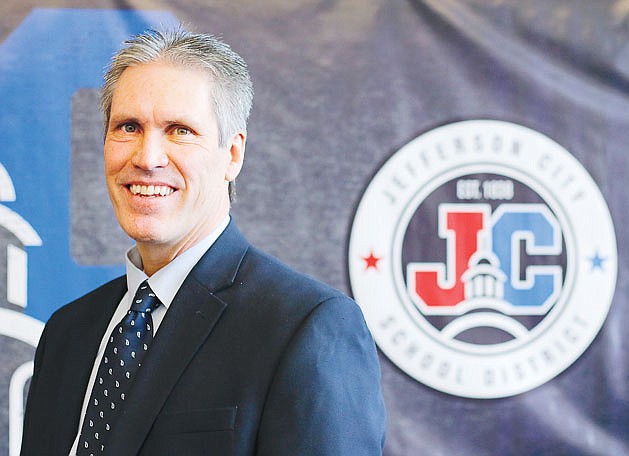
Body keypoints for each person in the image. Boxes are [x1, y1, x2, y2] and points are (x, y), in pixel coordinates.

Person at [20, 28, 386, 456]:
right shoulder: (68, 332)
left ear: (232, 155)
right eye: (128, 126)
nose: (147, 157)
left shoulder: (307, 328)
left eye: (179, 130)